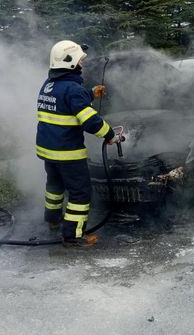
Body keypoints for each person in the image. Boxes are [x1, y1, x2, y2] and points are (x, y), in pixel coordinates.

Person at [36, 40, 120, 247]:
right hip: (68, 153)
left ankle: (52, 220)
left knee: (54, 187)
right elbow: (91, 121)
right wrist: (110, 136)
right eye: (80, 60)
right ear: (71, 63)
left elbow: (66, 102)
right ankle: (72, 236)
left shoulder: (49, 85)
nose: (83, 63)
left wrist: (91, 93)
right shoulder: (73, 89)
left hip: (48, 151)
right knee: (80, 193)